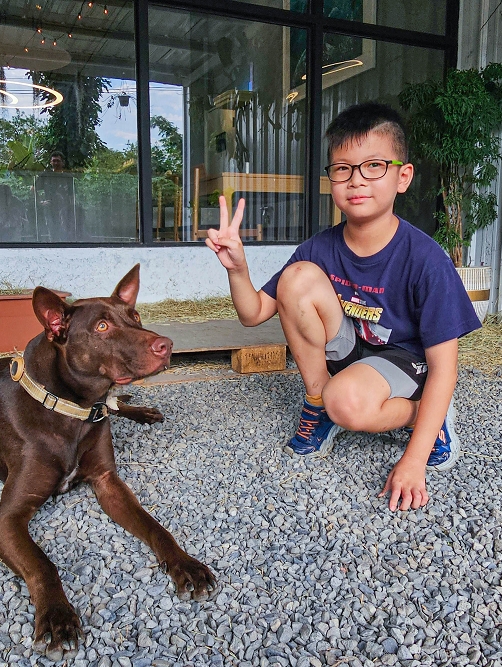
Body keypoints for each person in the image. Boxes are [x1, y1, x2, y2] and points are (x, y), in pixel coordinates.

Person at [205, 102, 481, 512]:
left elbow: (446, 367)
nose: (356, 181)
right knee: (296, 278)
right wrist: (238, 269)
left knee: (347, 403)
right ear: (330, 179)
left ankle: (426, 417)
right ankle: (317, 404)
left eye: (373, 166)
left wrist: (413, 459)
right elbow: (253, 313)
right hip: (354, 351)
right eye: (342, 169)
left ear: (402, 177)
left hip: (405, 362)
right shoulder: (319, 248)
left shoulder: (426, 260)